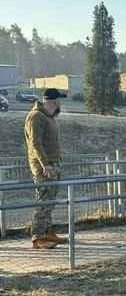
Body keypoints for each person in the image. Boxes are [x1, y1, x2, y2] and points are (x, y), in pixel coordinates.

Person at [25, 88, 66, 249]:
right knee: (43, 202)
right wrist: (45, 164)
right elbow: (35, 143)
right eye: (59, 100)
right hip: (44, 168)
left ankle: (48, 232)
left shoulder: (49, 117)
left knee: (50, 202)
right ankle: (38, 237)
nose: (61, 103)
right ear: (54, 101)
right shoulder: (36, 116)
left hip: (53, 165)